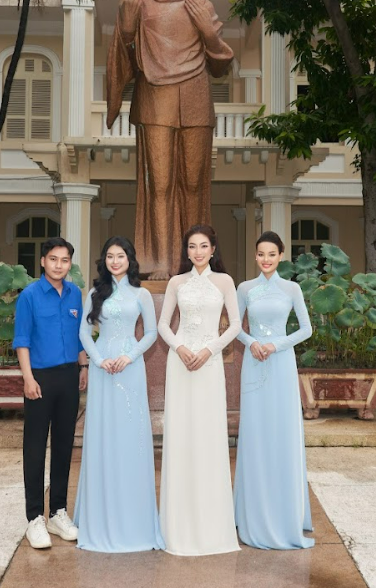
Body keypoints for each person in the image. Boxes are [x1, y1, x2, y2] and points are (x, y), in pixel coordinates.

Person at [106, 0, 235, 279]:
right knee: (159, 185)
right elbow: (124, 64)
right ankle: (161, 260)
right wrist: (127, 32)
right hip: (155, 98)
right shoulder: (137, 1)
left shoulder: (202, 5)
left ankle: (194, 263)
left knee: (194, 185)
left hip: (195, 98)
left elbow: (221, 67)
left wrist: (208, 33)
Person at [74, 236, 165, 553]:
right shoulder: (94, 293)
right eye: (110, 256)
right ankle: (99, 512)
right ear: (104, 260)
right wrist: (98, 360)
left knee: (130, 435)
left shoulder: (142, 294)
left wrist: (130, 356)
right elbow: (84, 332)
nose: (115, 261)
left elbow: (151, 333)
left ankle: (133, 514)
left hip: (130, 367)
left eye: (121, 256)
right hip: (102, 369)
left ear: (130, 260)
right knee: (103, 434)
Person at [157, 224, 241, 555]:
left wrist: (209, 349)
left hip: (209, 363)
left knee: (208, 435)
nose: (198, 252)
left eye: (203, 246)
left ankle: (211, 525)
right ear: (187, 251)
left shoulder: (225, 281)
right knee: (181, 435)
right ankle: (177, 524)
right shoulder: (177, 282)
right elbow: (163, 325)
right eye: (192, 246)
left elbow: (235, 325)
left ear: (213, 249)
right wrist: (179, 348)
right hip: (180, 363)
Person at [235, 231, 314, 550]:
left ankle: (285, 511)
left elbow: (307, 329)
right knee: (255, 433)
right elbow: (235, 328)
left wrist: (275, 345)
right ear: (255, 256)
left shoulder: (292, 288)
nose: (265, 259)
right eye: (260, 254)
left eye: (271, 254)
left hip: (281, 363)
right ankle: (250, 511)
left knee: (282, 432)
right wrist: (252, 342)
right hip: (253, 363)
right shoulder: (245, 289)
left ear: (281, 255)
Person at [13, 237, 88, 549]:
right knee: (34, 447)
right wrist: (28, 378)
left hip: (69, 376)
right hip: (40, 378)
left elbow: (79, 335)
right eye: (53, 259)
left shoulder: (75, 294)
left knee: (63, 445)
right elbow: (22, 340)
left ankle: (58, 512)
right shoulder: (29, 296)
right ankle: (34, 518)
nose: (59, 265)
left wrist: (83, 367)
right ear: (43, 261)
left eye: (65, 260)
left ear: (70, 263)